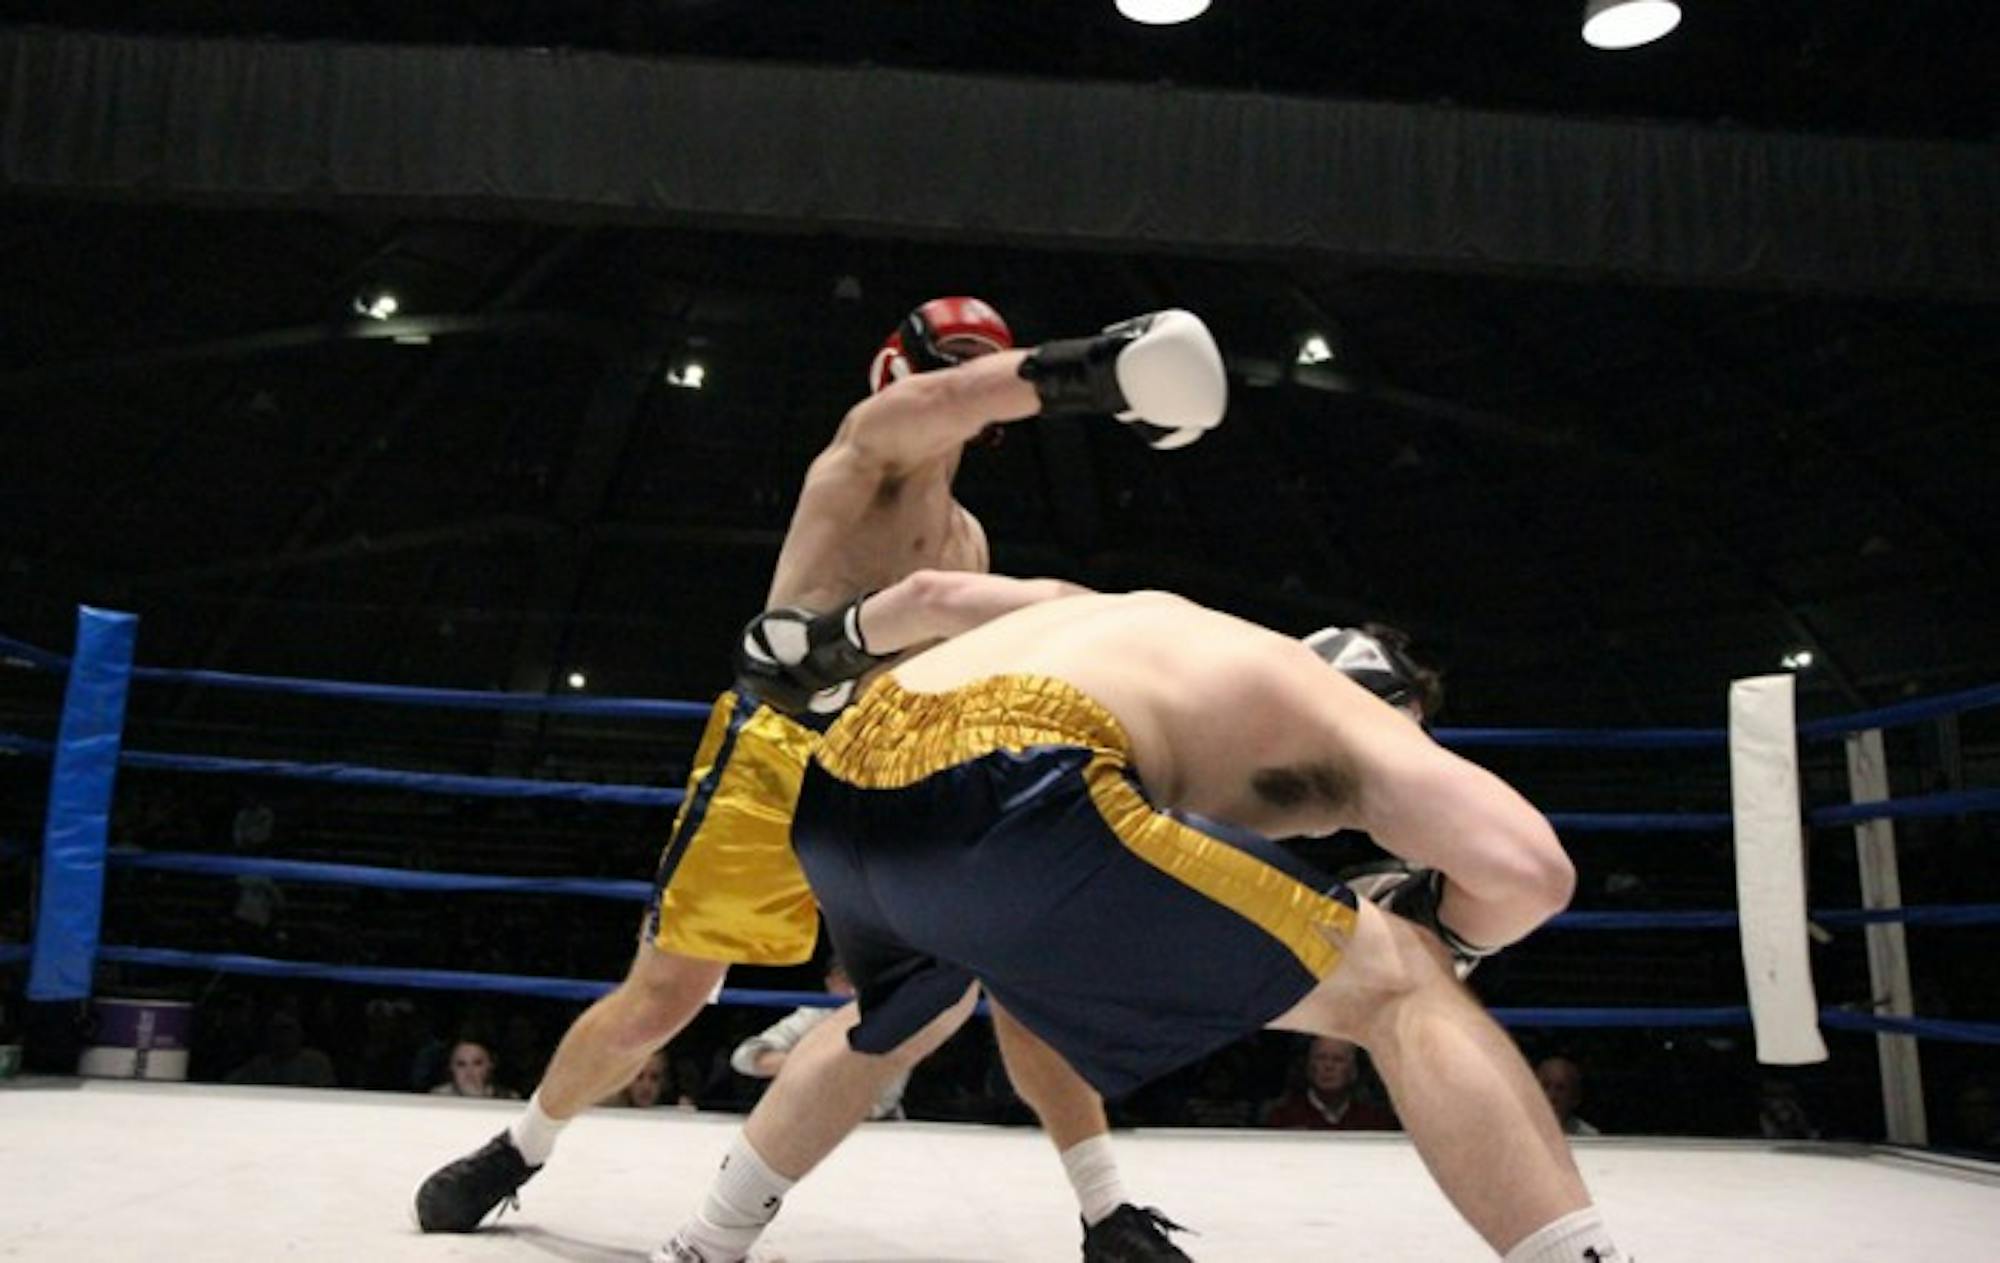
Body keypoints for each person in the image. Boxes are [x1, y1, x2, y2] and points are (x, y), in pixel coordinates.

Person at [415, 297, 1229, 1262]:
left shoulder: (967, 542)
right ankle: (520, 1148)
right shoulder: (867, 448)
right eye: (948, 365)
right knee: (666, 996)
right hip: (774, 756)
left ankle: (1106, 1212)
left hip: (893, 769)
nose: (965, 384)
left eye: (979, 366)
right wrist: (1102, 370)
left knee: (1012, 974)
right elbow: (964, 398)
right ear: (901, 369)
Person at [721, 584, 1628, 1262]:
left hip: (846, 780)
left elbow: (932, 597)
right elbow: (1532, 871)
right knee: (1404, 982)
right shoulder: (1351, 716)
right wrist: (1445, 934)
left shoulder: (1135, 618)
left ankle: (702, 1242)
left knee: (941, 998)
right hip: (1022, 784)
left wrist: (824, 648)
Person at [730, 958, 907, 1121]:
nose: (853, 990)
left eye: (860, 980)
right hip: (802, 1118)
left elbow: (881, 1103)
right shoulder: (814, 1014)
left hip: (875, 1126)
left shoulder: (891, 1021)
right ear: (830, 983)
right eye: (845, 980)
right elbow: (744, 1057)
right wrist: (809, 1066)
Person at [1261, 1036, 1398, 1131]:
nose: (1328, 1066)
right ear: (1309, 1066)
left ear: (1353, 1071)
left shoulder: (1375, 1122)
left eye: (1338, 1060)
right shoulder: (1282, 1118)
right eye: (1321, 1058)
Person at [1533, 1055, 1600, 1138]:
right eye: (1545, 1086)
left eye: (1560, 1088)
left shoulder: (1589, 1137)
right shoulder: (1517, 1128)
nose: (1552, 1095)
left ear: (1575, 1099)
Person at [432, 1038, 519, 1100]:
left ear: (490, 1065)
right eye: (461, 1064)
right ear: (451, 1067)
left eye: (477, 1063)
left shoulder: (508, 1098)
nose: (469, 1072)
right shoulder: (436, 1097)